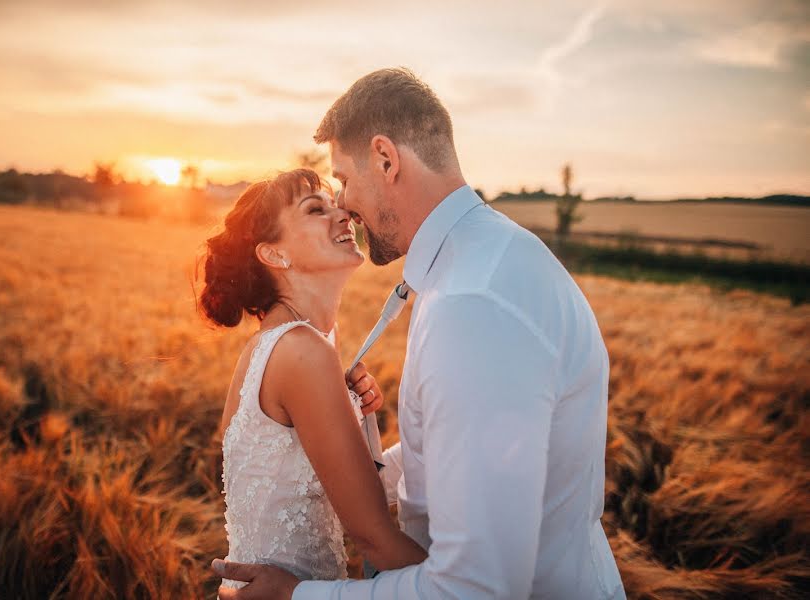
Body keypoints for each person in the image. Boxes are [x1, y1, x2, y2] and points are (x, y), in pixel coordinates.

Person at [213, 68, 625, 599]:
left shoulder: (471, 301)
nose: (345, 204)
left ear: (386, 160)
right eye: (326, 195)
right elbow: (475, 443)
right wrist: (356, 450)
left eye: (342, 179)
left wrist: (296, 596)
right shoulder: (484, 262)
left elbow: (475, 588)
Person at [200, 168, 428, 593]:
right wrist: (481, 587)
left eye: (336, 205)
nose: (343, 215)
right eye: (315, 210)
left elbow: (341, 493)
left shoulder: (285, 343)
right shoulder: (301, 351)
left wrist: (361, 427)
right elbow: (375, 539)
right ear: (274, 255)